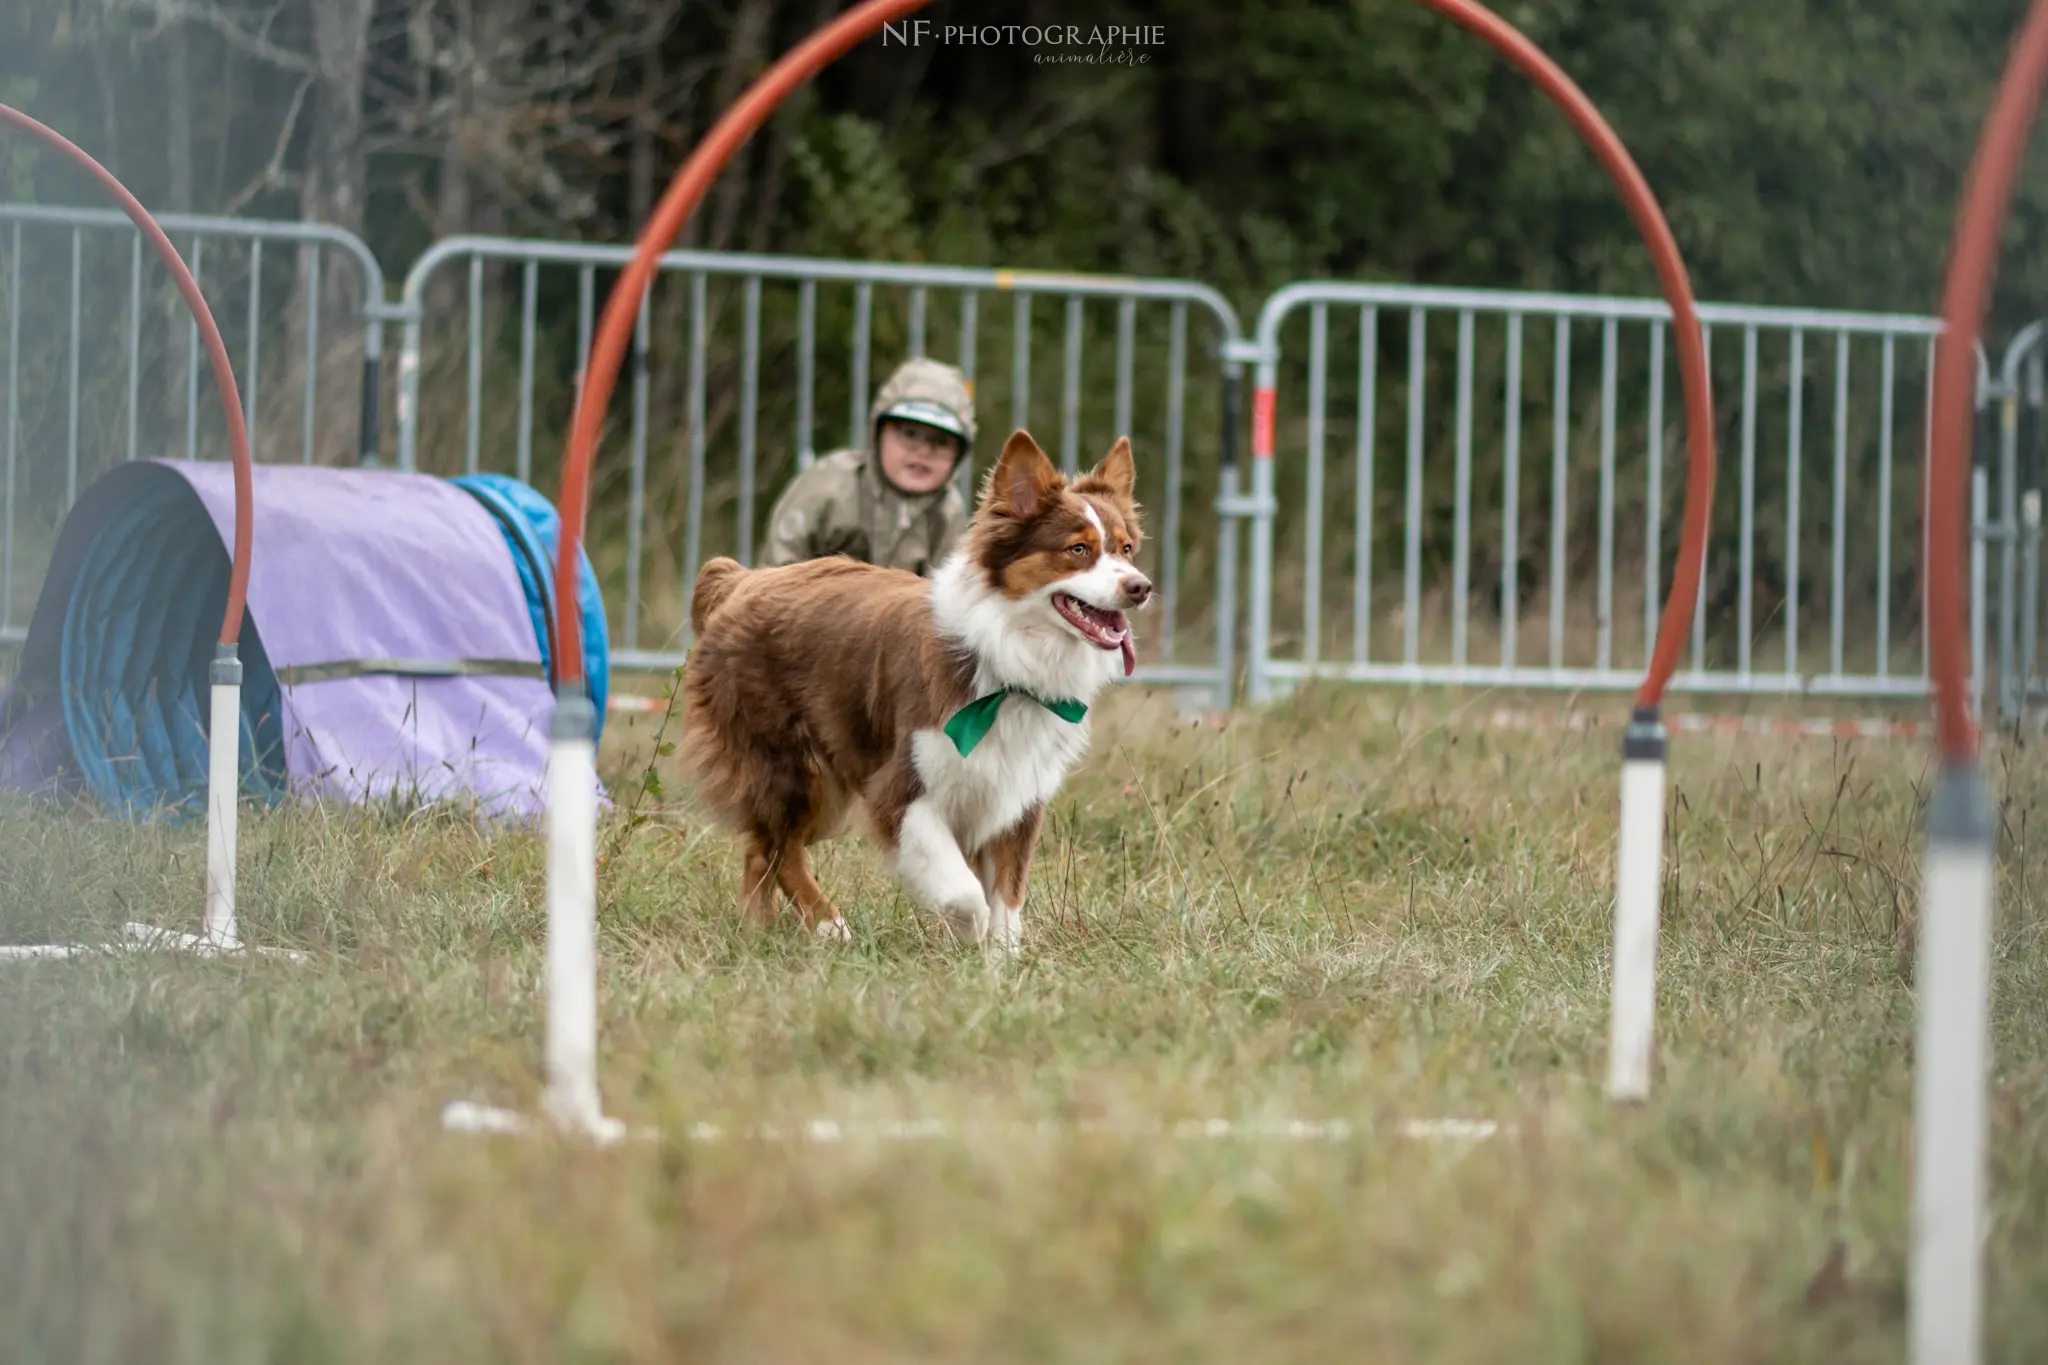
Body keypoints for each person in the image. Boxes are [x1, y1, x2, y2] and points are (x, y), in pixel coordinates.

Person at [761, 356, 975, 577]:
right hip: (812, 607)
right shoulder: (830, 483)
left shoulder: (949, 514)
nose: (923, 452)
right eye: (909, 434)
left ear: (959, 455)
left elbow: (947, 597)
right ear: (878, 433)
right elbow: (776, 573)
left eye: (941, 442)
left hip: (902, 611)